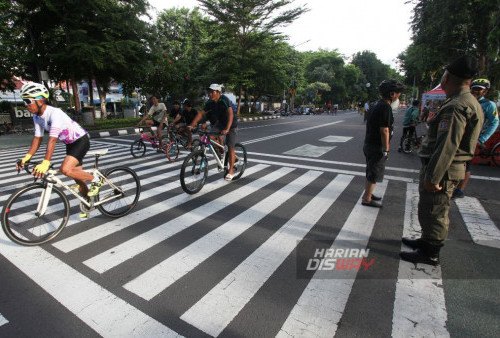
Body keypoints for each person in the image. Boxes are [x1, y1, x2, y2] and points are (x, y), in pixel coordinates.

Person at [400, 55, 483, 266]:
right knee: (430, 208)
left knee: (435, 210)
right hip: (447, 168)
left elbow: (447, 145)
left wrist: (433, 176)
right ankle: (426, 241)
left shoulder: (457, 106)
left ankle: (431, 253)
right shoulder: (465, 101)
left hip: (444, 170)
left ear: (447, 78)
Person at [16, 82, 101, 218]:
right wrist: (27, 157)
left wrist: (45, 162)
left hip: (81, 140)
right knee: (77, 178)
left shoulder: (55, 113)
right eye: (23, 101)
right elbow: (37, 139)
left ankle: (96, 179)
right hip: (70, 144)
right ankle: (88, 202)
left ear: (40, 100)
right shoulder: (36, 116)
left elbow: (52, 139)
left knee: (65, 170)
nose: (25, 104)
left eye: (28, 100)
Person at [362, 79, 406, 208]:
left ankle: (368, 193)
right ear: (392, 94)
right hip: (376, 145)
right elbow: (384, 130)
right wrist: (386, 149)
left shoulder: (375, 104)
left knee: (370, 170)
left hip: (369, 143)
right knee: (374, 172)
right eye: (398, 93)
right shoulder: (385, 107)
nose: (399, 96)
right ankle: (367, 198)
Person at [453, 78, 499, 198]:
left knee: (465, 164)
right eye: (473, 88)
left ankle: (459, 190)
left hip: (472, 139)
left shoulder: (489, 105)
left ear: (485, 91)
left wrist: (482, 139)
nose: (475, 91)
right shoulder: (466, 100)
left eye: (479, 89)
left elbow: (494, 123)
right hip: (458, 136)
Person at [188, 84, 238, 181]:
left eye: (212, 92)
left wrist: (227, 129)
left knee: (230, 147)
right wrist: (192, 124)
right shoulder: (210, 102)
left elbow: (231, 114)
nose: (210, 94)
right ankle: (222, 149)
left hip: (231, 125)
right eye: (209, 92)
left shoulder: (224, 100)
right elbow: (201, 113)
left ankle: (231, 170)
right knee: (209, 138)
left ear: (218, 92)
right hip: (220, 123)